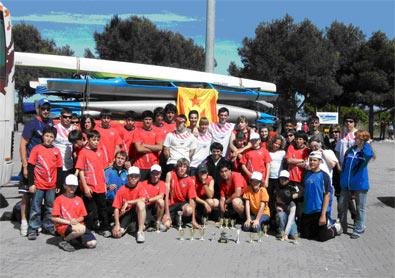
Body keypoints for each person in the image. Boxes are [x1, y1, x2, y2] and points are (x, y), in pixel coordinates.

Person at [19, 98, 54, 236]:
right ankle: (23, 221)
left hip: (43, 168)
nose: (45, 111)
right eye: (43, 108)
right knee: (26, 194)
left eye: (48, 109)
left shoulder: (50, 123)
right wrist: (24, 165)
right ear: (38, 108)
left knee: (39, 197)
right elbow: (22, 144)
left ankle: (38, 223)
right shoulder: (32, 124)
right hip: (31, 165)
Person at [26, 126, 63, 240]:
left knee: (50, 207)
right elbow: (31, 167)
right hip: (38, 185)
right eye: (47, 136)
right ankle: (33, 228)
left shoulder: (56, 151)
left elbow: (59, 169)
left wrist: (58, 185)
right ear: (42, 136)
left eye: (51, 137)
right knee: (35, 207)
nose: (49, 138)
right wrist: (31, 183)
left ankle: (48, 226)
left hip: (51, 186)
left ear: (54, 139)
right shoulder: (36, 149)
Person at [339, 130, 374, 239]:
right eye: (356, 137)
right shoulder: (350, 150)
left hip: (360, 184)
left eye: (359, 138)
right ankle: (341, 226)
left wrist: (367, 144)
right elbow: (344, 165)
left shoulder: (365, 152)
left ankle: (359, 228)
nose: (356, 139)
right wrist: (342, 179)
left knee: (360, 208)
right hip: (346, 183)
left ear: (364, 140)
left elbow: (369, 154)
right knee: (341, 205)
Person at [75, 130, 111, 237]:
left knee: (102, 208)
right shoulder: (83, 152)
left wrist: (105, 183)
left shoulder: (100, 150)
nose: (95, 142)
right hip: (89, 186)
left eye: (97, 140)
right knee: (90, 210)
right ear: (88, 140)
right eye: (93, 140)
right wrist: (85, 187)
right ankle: (88, 229)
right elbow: (80, 170)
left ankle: (104, 228)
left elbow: (103, 169)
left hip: (100, 185)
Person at [300, 152, 341, 242]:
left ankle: (335, 228)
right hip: (307, 210)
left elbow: (327, 195)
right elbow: (303, 190)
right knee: (306, 236)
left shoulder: (324, 176)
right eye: (310, 160)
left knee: (322, 238)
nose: (312, 162)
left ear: (320, 162)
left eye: (315, 160)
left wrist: (323, 215)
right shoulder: (306, 174)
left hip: (319, 211)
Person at [52, 174, 97, 252]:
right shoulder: (59, 199)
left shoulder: (79, 199)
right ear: (65, 186)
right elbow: (54, 218)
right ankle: (64, 240)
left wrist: (76, 220)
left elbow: (83, 216)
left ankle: (73, 239)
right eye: (70, 186)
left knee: (92, 243)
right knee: (81, 229)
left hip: (78, 225)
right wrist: (69, 222)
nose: (72, 188)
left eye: (74, 186)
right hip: (64, 226)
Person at [112, 166, 147, 243]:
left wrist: (128, 202)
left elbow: (143, 199)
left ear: (139, 177)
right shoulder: (121, 189)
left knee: (140, 204)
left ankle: (140, 232)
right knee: (117, 234)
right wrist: (117, 224)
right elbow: (116, 208)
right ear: (128, 176)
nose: (134, 178)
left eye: (136, 176)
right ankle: (129, 227)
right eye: (131, 176)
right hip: (126, 214)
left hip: (137, 212)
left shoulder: (140, 186)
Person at [163, 158, 200, 229]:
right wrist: (167, 213)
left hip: (182, 204)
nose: (182, 169)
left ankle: (179, 218)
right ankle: (175, 219)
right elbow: (166, 195)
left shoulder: (190, 180)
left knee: (189, 210)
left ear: (187, 169)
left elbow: (192, 200)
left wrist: (193, 220)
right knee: (166, 225)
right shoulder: (170, 174)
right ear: (177, 167)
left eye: (184, 167)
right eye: (180, 166)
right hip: (171, 204)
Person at [286, 131, 310, 222]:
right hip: (291, 178)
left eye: (300, 139)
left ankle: (299, 222)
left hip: (301, 179)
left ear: (304, 140)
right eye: (297, 139)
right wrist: (301, 160)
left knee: (300, 202)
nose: (298, 141)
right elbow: (288, 160)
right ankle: (291, 222)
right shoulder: (291, 147)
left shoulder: (307, 150)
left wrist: (294, 161)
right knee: (291, 201)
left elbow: (306, 164)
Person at [133, 110, 163, 180]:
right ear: (142, 120)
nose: (148, 121)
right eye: (146, 119)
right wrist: (154, 149)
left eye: (150, 119)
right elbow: (139, 149)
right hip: (140, 166)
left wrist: (145, 145)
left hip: (153, 166)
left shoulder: (157, 132)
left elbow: (160, 147)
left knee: (152, 189)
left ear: (152, 120)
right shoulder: (137, 131)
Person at [139, 164, 166, 230]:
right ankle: (148, 223)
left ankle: (158, 222)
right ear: (150, 174)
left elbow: (161, 196)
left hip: (155, 206)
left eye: (157, 174)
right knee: (144, 227)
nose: (155, 176)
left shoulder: (162, 183)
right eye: (153, 173)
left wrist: (149, 200)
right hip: (146, 207)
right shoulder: (143, 183)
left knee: (161, 201)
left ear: (160, 174)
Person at [54, 108, 76, 187]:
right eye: (65, 117)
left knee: (68, 189)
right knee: (57, 191)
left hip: (69, 166)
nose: (67, 119)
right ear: (60, 117)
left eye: (70, 117)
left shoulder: (74, 129)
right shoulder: (54, 129)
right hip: (57, 166)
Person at [104, 151, 128, 220]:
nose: (120, 160)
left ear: (125, 161)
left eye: (122, 159)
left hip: (122, 201)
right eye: (118, 158)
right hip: (109, 200)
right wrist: (108, 187)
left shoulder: (127, 173)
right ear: (114, 159)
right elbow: (101, 187)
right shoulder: (108, 171)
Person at [267, 135, 286, 220]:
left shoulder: (283, 152)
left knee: (278, 199)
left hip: (279, 179)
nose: (276, 145)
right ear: (272, 143)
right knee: (270, 199)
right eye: (275, 143)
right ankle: (269, 218)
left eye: (278, 144)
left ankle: (278, 219)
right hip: (269, 178)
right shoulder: (268, 152)